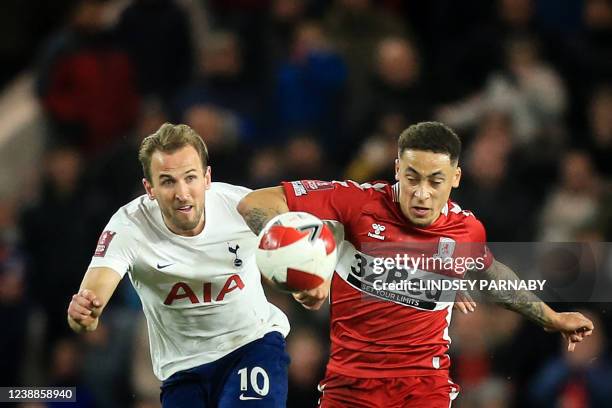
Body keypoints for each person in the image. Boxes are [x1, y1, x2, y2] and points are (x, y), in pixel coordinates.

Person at [237, 121, 594, 407]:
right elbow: (256, 203)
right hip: (349, 388)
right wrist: (300, 266)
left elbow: (492, 272)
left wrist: (551, 317)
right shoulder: (355, 203)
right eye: (412, 178)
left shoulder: (467, 231)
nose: (422, 193)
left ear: (455, 178)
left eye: (435, 181)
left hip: (424, 390)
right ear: (396, 169)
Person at [67, 123, 290, 407]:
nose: (182, 193)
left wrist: (312, 279)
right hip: (183, 369)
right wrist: (84, 315)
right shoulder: (129, 227)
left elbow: (301, 233)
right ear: (150, 188)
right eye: (168, 181)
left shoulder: (242, 207)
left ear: (207, 178)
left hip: (253, 345)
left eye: (190, 178)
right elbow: (92, 297)